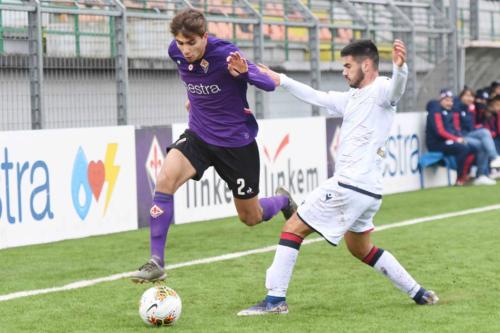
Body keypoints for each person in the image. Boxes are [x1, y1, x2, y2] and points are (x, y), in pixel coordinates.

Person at [238, 39, 439, 316]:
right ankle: (418, 292)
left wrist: (400, 68)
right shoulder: (351, 98)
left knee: (293, 227)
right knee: (361, 249)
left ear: (365, 65)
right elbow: (315, 96)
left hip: (349, 185)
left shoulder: (381, 89)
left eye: (347, 65)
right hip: (368, 192)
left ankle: (274, 301)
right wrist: (280, 79)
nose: (343, 71)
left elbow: (396, 89)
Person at [130, 9, 297, 283]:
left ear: (204, 37)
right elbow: (196, 81)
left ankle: (282, 201)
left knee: (250, 217)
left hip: (236, 144)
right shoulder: (175, 51)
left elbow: (268, 84)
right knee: (164, 179)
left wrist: (246, 74)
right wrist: (193, 101)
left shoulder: (226, 54)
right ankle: (156, 261)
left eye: (191, 43)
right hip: (199, 136)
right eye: (181, 43)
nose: (185, 50)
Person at [425, 90, 474, 186]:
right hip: (436, 144)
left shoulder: (448, 112)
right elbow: (440, 132)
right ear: (441, 100)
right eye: (447, 100)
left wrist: (458, 137)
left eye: (451, 101)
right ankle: (459, 178)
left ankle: (465, 175)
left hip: (447, 142)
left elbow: (453, 129)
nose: (449, 103)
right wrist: (456, 139)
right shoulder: (435, 112)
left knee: (472, 148)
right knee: (463, 149)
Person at [454, 87, 500, 184]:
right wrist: (457, 137)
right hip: (460, 136)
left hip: (469, 135)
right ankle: (489, 165)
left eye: (471, 96)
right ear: (461, 96)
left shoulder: (470, 109)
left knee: (485, 134)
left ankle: (483, 173)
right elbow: (455, 126)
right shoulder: (456, 108)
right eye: (467, 95)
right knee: (483, 140)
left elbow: (472, 126)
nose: (469, 98)